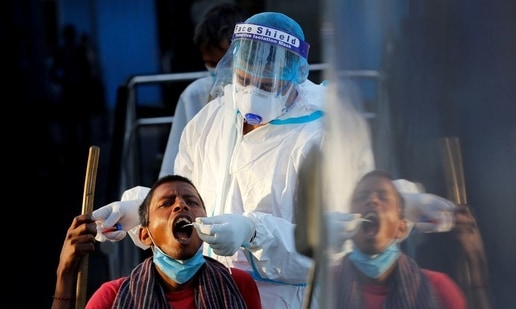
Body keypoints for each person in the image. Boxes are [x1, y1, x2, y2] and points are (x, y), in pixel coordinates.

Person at [92, 11, 456, 309]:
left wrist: (253, 231)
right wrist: (136, 209)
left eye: (266, 86)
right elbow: (185, 195)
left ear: (294, 77)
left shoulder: (327, 132)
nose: (251, 95)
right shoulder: (212, 118)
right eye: (244, 80)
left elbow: (339, 234)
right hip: (213, 291)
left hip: (287, 297)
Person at [52, 175, 261, 309]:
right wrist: (65, 273)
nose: (181, 205)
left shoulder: (238, 286)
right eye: (167, 203)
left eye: (191, 202)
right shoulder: (112, 297)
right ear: (145, 235)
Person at [330, 170, 467, 308]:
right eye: (361, 196)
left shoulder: (438, 289)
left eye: (383, 197)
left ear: (401, 228)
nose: (372, 200)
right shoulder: (323, 283)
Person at [159, 3, 250, 177]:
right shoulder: (194, 96)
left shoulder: (266, 96)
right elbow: (172, 169)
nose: (219, 70)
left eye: (226, 61)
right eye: (211, 64)